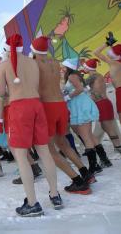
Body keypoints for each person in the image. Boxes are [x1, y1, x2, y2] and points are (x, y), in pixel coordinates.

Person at [0, 34, 62, 216]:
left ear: (7, 48)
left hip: (19, 108)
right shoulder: (33, 63)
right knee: (44, 151)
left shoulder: (4, 65)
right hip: (36, 105)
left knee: (21, 155)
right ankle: (55, 195)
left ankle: (32, 203)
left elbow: (1, 93)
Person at [30, 36, 92, 194]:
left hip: (47, 107)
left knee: (49, 149)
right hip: (61, 105)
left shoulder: (33, 64)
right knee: (63, 143)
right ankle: (85, 173)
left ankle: (77, 181)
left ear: (33, 50)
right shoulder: (55, 62)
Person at [62, 58, 111, 173]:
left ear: (69, 67)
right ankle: (104, 160)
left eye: (64, 66)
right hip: (79, 105)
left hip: (80, 106)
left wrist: (68, 97)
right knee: (89, 135)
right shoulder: (74, 75)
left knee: (86, 137)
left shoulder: (72, 76)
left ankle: (94, 166)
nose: (62, 68)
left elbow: (79, 89)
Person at [83, 58, 121, 160]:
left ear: (87, 68)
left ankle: (119, 151)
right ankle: (118, 149)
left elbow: (80, 85)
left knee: (109, 128)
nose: (83, 69)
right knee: (107, 128)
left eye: (84, 67)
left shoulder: (93, 77)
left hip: (102, 103)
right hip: (103, 103)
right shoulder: (97, 76)